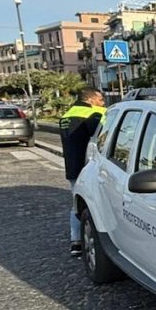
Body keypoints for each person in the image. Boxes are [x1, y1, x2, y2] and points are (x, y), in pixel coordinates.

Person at [60, 87, 106, 257]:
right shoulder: (95, 114)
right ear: (91, 99)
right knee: (97, 205)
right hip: (91, 167)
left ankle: (76, 242)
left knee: (76, 205)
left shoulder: (66, 115)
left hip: (72, 168)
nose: (103, 102)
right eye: (100, 99)